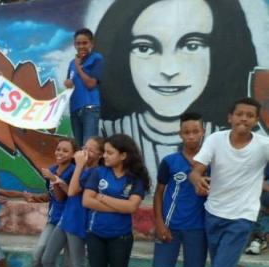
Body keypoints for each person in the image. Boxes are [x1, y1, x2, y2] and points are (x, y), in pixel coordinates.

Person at [95, 0, 257, 182]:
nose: (169, 70)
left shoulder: (226, 140)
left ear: (219, 52)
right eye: (145, 48)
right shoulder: (105, 132)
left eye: (191, 46)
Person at [176, 98, 268, 267]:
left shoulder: (263, 146)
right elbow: (197, 169)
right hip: (213, 214)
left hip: (242, 218)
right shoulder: (216, 140)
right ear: (230, 117)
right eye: (239, 114)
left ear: (256, 121)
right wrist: (196, 179)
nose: (244, 119)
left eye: (250, 115)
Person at [82, 134, 150, 267]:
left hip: (120, 237)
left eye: (110, 152)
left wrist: (101, 197)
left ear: (123, 155)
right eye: (105, 152)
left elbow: (131, 207)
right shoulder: (97, 172)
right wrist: (116, 205)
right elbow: (86, 201)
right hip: (96, 234)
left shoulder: (135, 179)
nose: (105, 155)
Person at [146, 113, 207, 267]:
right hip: (170, 228)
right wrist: (160, 223)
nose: (191, 136)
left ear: (203, 133)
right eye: (186, 132)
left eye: (195, 131)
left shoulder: (209, 163)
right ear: (180, 134)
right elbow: (159, 194)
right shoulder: (170, 162)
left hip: (197, 229)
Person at [22, 139, 80, 267]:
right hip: (53, 220)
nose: (60, 153)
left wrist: (55, 180)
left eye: (65, 151)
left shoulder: (73, 171)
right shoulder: (53, 170)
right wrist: (36, 198)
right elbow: (53, 196)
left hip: (68, 222)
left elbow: (65, 197)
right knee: (37, 255)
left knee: (70, 266)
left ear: (73, 154)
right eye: (58, 149)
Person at [60, 137, 105, 267]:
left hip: (79, 223)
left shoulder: (93, 172)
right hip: (69, 220)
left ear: (100, 155)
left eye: (91, 150)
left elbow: (72, 191)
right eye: (85, 147)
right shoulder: (86, 169)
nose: (86, 152)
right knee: (59, 261)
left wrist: (78, 165)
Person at [64, 28, 103, 146]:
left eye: (85, 43)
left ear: (91, 43)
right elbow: (70, 83)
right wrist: (67, 83)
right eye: (78, 43)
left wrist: (79, 67)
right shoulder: (71, 63)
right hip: (75, 109)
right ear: (74, 45)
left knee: (89, 147)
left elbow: (91, 84)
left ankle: (90, 166)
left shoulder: (96, 58)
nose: (81, 46)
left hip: (90, 109)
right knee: (79, 147)